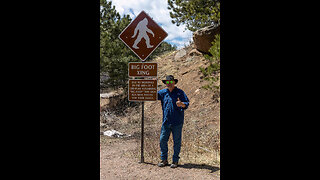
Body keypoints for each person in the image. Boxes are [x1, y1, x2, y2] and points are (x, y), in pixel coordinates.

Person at [157, 75, 190, 168]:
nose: (169, 83)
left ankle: (175, 161)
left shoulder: (180, 92)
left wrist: (182, 104)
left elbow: (187, 103)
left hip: (177, 122)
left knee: (177, 142)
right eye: (167, 82)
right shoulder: (163, 92)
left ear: (174, 82)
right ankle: (164, 160)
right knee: (163, 140)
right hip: (166, 122)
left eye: (171, 82)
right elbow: (151, 95)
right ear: (165, 83)